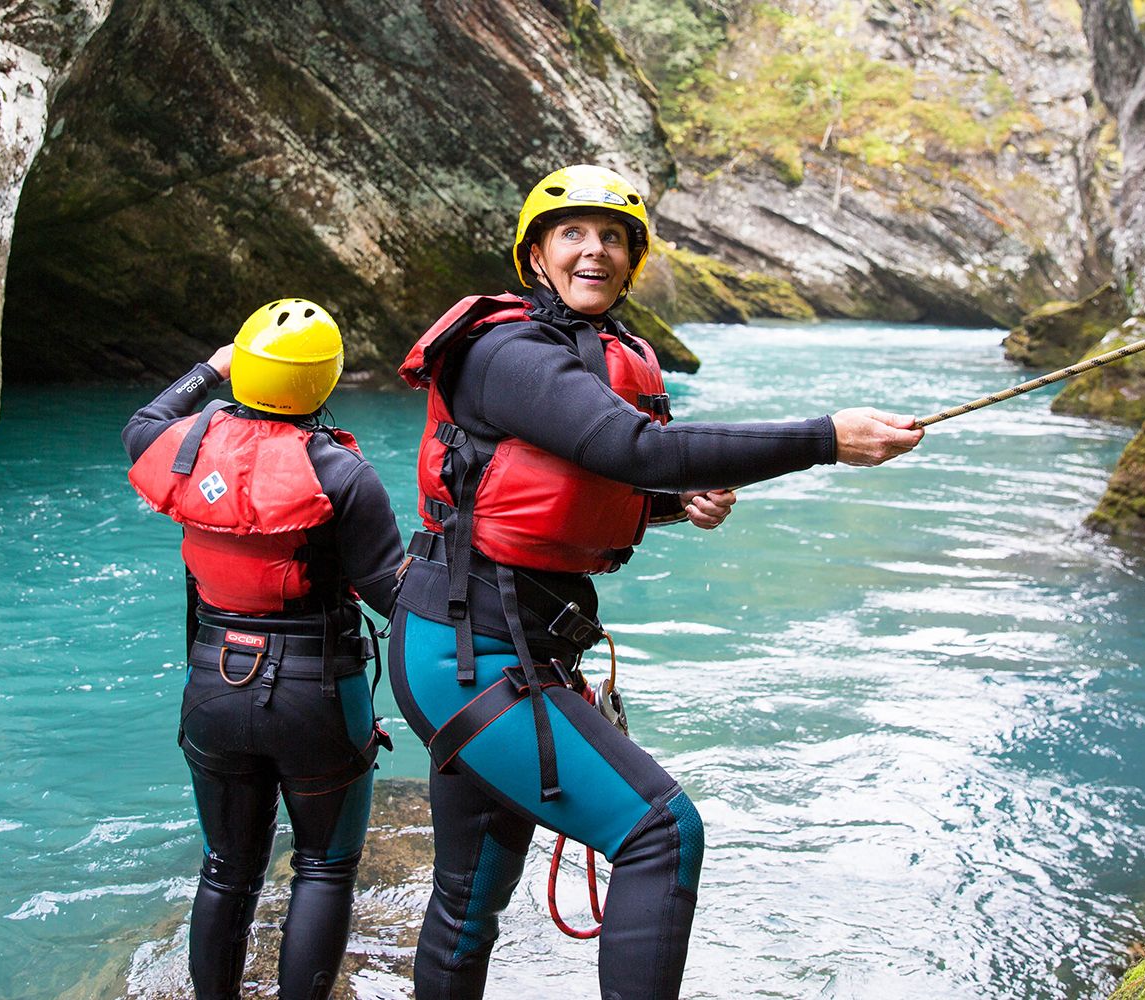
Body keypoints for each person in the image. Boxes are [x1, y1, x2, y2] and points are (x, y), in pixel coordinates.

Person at [389, 164, 924, 1000]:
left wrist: (672, 505)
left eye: (614, 238)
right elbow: (628, 450)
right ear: (535, 254)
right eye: (572, 234)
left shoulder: (604, 355)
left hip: (507, 640)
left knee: (468, 900)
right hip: (466, 648)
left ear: (634, 262)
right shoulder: (505, 349)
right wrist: (825, 437)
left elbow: (591, 480)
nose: (594, 250)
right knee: (660, 832)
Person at [124, 299, 404, 1000]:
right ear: (325, 379)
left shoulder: (184, 445)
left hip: (213, 683)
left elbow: (142, 424)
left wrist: (208, 371)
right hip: (316, 692)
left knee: (226, 866)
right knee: (325, 866)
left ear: (244, 366)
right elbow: (390, 595)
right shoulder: (342, 473)